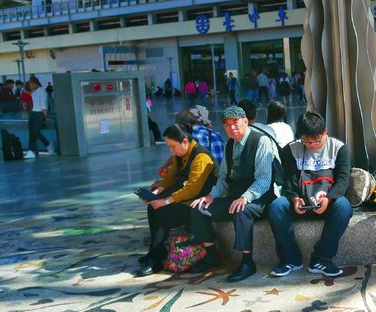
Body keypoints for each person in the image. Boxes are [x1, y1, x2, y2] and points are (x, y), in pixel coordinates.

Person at [189, 105, 278, 281]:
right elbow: (223, 179)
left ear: (245, 121)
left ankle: (247, 262)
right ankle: (211, 254)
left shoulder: (261, 141)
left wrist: (246, 197)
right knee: (198, 207)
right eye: (227, 124)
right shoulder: (229, 144)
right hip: (234, 197)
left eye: (235, 122)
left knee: (241, 209)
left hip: (260, 198)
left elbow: (264, 179)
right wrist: (211, 195)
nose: (232, 127)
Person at [268, 110, 352, 278]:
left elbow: (343, 180)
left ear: (325, 133)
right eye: (306, 141)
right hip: (300, 201)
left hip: (326, 200)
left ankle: (321, 258)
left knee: (344, 207)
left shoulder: (339, 149)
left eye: (316, 140)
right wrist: (294, 198)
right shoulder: (290, 150)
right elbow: (289, 180)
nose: (311, 145)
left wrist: (329, 199)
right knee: (277, 207)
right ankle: (290, 258)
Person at [136, 124, 217, 277]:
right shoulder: (179, 156)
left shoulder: (201, 157)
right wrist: (157, 191)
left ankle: (157, 259)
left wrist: (166, 201)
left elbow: (192, 189)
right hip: (185, 199)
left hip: (197, 203)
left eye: (173, 146)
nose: (171, 150)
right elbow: (170, 178)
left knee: (162, 211)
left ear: (185, 141)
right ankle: (154, 252)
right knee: (153, 206)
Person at [25, 76, 51, 157]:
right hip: (33, 113)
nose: (30, 86)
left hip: (40, 114)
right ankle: (31, 151)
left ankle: (48, 145)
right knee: (31, 133)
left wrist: (46, 117)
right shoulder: (33, 93)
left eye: (30, 84)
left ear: (35, 83)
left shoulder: (42, 92)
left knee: (35, 132)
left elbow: (44, 107)